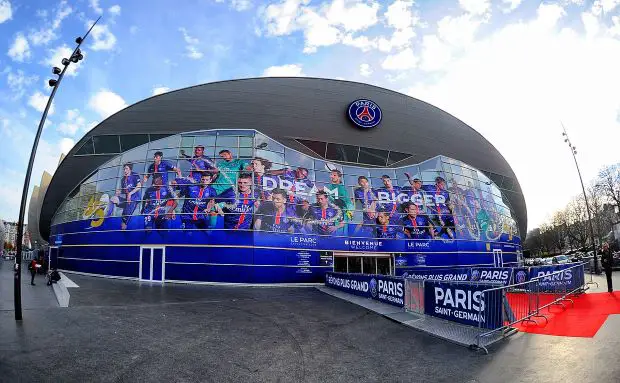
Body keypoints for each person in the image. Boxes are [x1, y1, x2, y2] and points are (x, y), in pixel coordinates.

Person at [109, 163, 142, 230]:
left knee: (124, 222)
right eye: (124, 169)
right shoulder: (123, 180)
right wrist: (119, 192)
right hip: (127, 200)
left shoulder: (134, 175)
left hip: (134, 200)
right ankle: (107, 214)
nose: (125, 170)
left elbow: (139, 186)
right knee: (113, 198)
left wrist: (130, 193)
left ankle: (125, 229)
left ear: (130, 169)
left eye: (126, 169)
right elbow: (124, 191)